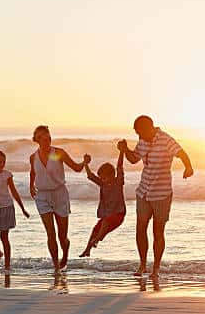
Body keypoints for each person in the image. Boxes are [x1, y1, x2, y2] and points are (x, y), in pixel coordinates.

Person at [118, 115, 194, 278]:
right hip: (143, 192)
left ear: (149, 128)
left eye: (140, 132)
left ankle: (156, 270)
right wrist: (125, 150)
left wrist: (188, 167)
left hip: (162, 194)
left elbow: (181, 153)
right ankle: (143, 265)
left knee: (158, 232)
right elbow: (133, 159)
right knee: (140, 229)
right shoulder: (143, 141)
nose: (139, 136)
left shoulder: (166, 140)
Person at [30, 125, 90, 274]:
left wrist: (84, 162)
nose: (47, 140)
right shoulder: (33, 157)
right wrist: (31, 185)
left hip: (60, 195)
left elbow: (76, 168)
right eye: (43, 138)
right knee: (50, 234)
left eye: (49, 138)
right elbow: (33, 171)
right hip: (42, 197)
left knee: (62, 236)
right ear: (37, 140)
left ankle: (65, 254)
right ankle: (56, 267)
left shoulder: (57, 153)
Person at [79, 150, 127, 258]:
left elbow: (119, 166)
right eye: (101, 178)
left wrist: (121, 152)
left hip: (119, 215)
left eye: (104, 178)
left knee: (105, 221)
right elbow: (90, 176)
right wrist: (85, 163)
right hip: (108, 216)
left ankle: (97, 240)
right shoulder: (102, 184)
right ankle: (87, 250)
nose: (102, 180)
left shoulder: (118, 182)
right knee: (95, 229)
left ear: (111, 175)